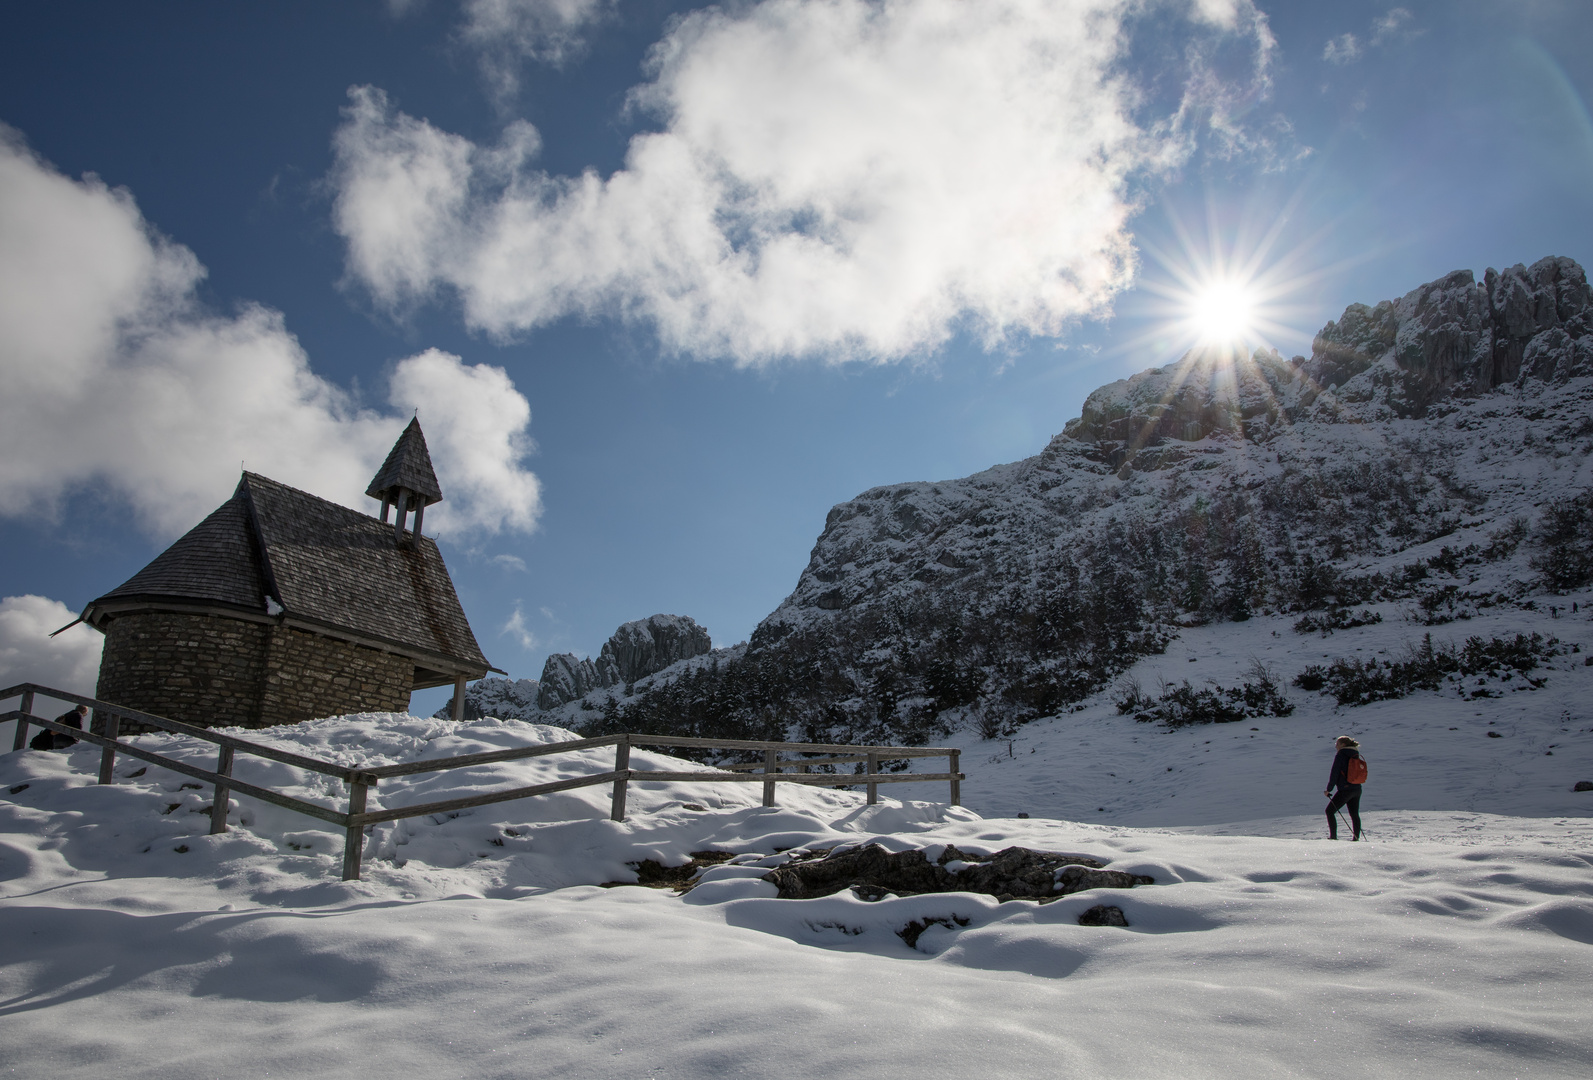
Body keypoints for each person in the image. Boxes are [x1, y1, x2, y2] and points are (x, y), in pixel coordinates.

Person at [1324, 735, 1363, 840]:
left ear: (1343, 745)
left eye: (1337, 744)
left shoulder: (1341, 755)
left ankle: (1333, 837)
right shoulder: (1355, 754)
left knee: (1329, 811)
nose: (1336, 746)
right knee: (1354, 814)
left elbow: (1334, 773)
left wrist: (1329, 789)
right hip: (1357, 788)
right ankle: (1356, 838)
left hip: (1345, 790)